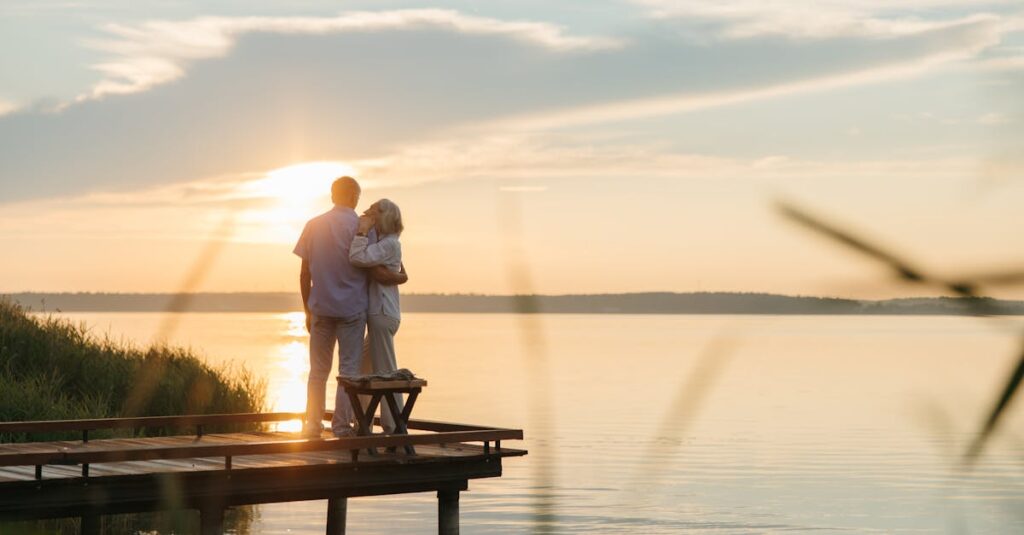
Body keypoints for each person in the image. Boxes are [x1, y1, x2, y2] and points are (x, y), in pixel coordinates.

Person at [293, 177, 406, 438]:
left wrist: (307, 311)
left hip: (320, 307)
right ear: (355, 197)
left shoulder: (313, 225)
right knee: (349, 372)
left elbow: (304, 273)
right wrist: (400, 277)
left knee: (318, 372)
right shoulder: (364, 227)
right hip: (353, 311)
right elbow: (377, 270)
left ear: (333, 195)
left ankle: (312, 426)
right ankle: (341, 427)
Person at [349, 199, 406, 434]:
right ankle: (363, 423)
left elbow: (357, 257)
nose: (368, 213)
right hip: (383, 314)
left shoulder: (390, 244)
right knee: (365, 369)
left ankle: (394, 427)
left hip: (382, 313)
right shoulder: (387, 243)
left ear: (382, 217)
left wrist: (361, 231)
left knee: (386, 373)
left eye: (373, 212)